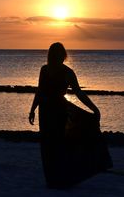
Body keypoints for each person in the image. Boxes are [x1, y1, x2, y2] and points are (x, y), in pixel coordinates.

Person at [29, 42, 112, 188]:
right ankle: (55, 179)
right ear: (61, 55)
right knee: (51, 145)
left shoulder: (57, 71)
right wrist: (32, 109)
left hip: (52, 110)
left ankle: (56, 178)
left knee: (54, 145)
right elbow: (41, 91)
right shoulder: (51, 70)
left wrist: (94, 109)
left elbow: (77, 93)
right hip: (51, 110)